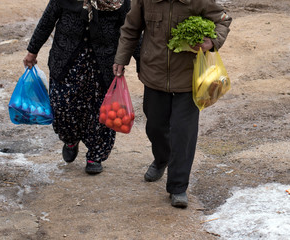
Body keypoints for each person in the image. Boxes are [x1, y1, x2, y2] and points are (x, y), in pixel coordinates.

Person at [113, 0, 232, 207]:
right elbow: (131, 28)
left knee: (183, 133)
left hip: (188, 78)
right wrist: (121, 59)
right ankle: (161, 159)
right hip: (154, 74)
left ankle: (178, 187)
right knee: (155, 127)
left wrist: (211, 42)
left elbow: (223, 20)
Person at [24, 0, 139, 174]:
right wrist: (32, 51)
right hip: (66, 60)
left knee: (100, 111)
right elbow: (48, 19)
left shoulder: (121, 2)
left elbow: (131, 30)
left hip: (103, 63)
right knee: (62, 106)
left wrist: (143, 64)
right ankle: (70, 139)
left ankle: (95, 154)